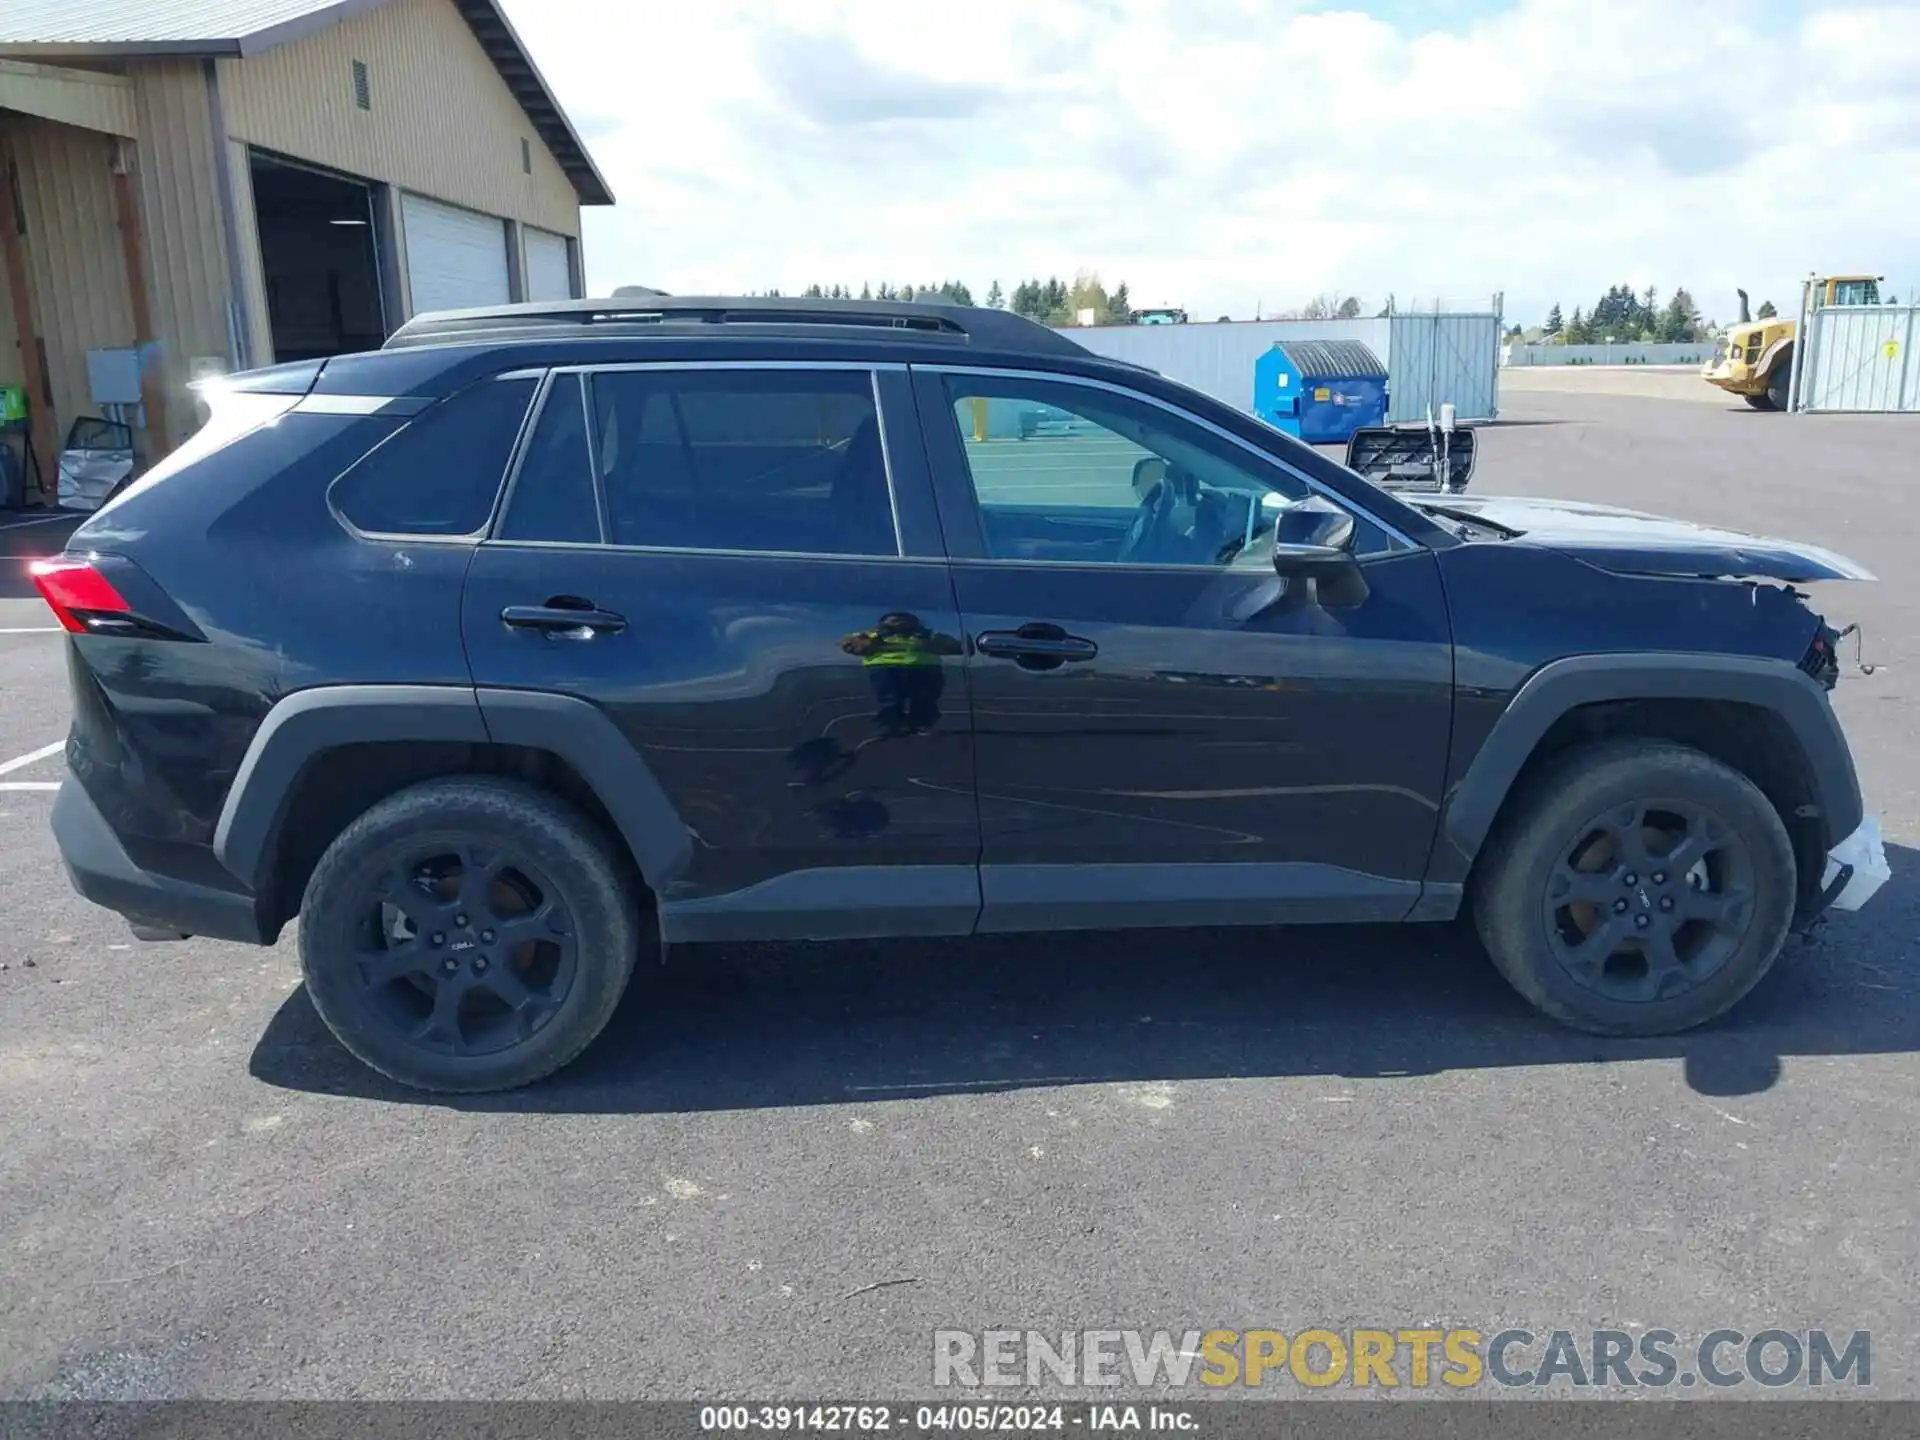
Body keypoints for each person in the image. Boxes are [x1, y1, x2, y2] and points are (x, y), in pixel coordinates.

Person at [840, 611, 962, 735]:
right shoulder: (872, 635)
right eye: (894, 618)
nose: (899, 620)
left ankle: (921, 723)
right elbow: (847, 642)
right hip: (886, 668)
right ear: (884, 622)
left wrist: (960, 645)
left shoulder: (927, 635)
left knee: (925, 697)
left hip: (925, 668)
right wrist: (857, 643)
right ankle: (889, 724)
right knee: (889, 699)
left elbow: (951, 644)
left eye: (905, 618)